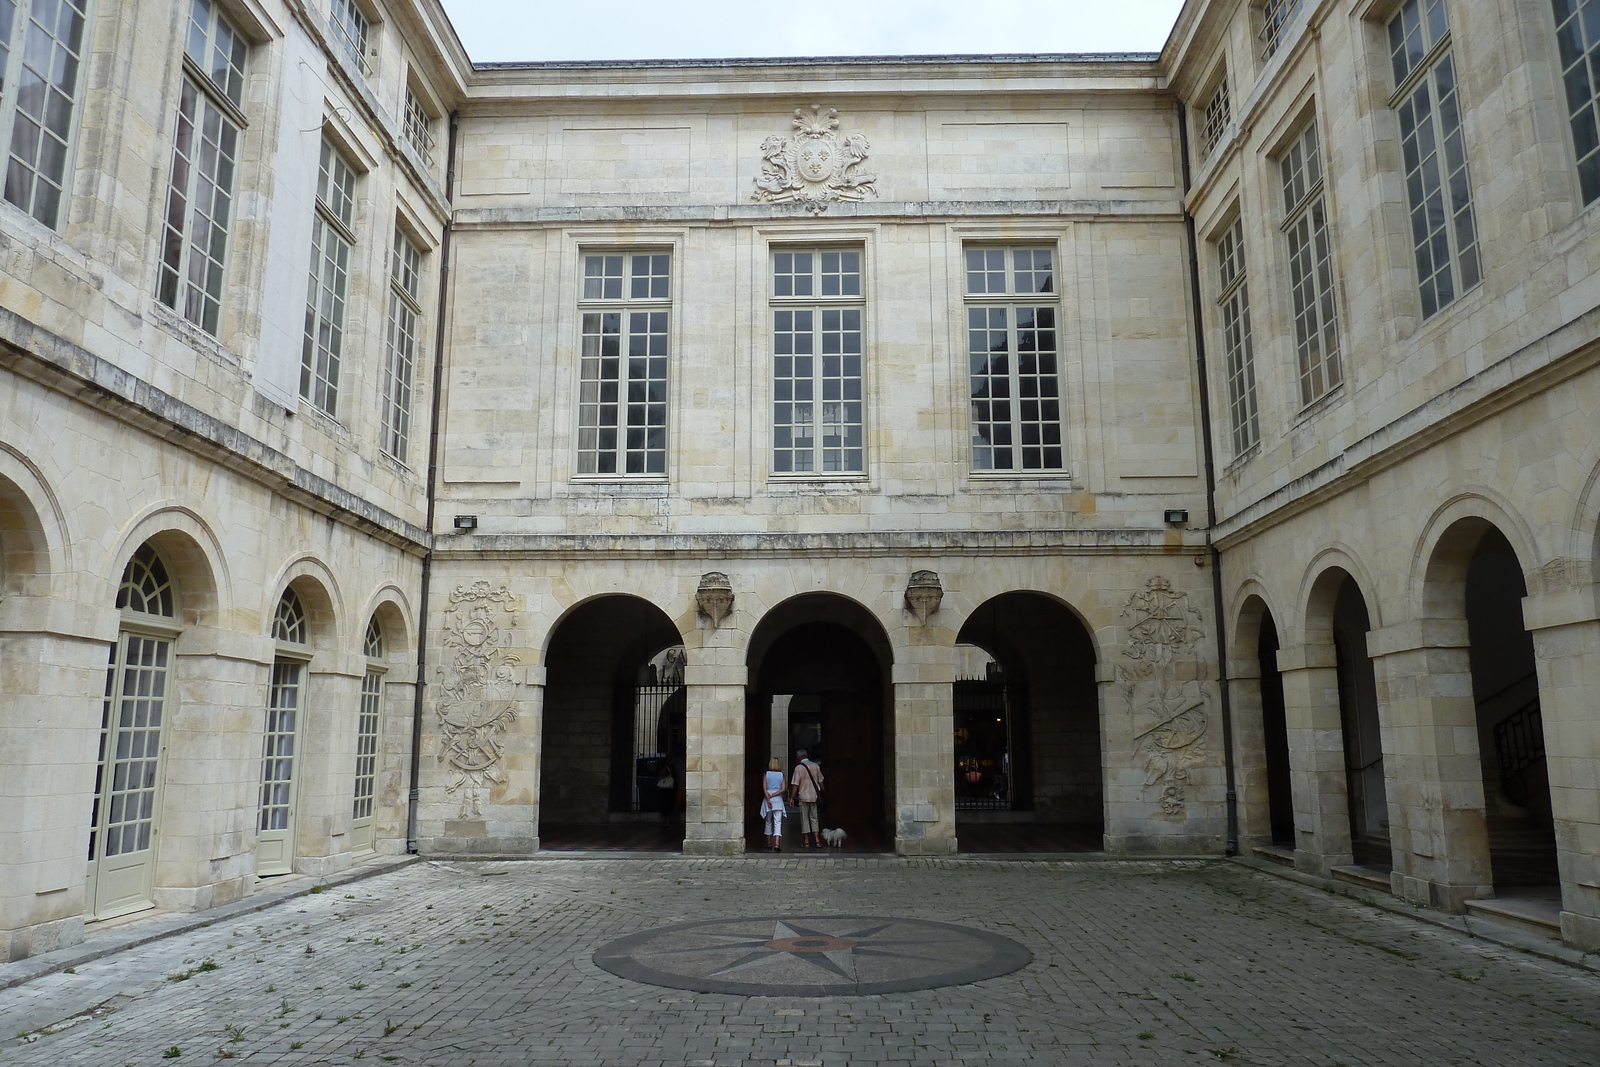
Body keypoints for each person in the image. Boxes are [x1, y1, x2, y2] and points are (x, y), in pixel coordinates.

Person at [789, 748, 825, 850]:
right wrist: (823, 793)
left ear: (798, 757)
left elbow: (795, 784)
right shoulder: (816, 766)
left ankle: (806, 841)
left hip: (803, 797)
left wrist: (792, 797)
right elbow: (821, 781)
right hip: (814, 796)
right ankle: (817, 840)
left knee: (804, 819)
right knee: (814, 818)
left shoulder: (798, 768)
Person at [760, 757, 786, 852]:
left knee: (768, 822)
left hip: (768, 799)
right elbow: (783, 789)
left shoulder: (766, 774)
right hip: (778, 800)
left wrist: (768, 798)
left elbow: (764, 788)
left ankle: (769, 843)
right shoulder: (781, 775)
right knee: (778, 822)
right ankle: (777, 844)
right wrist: (774, 795)